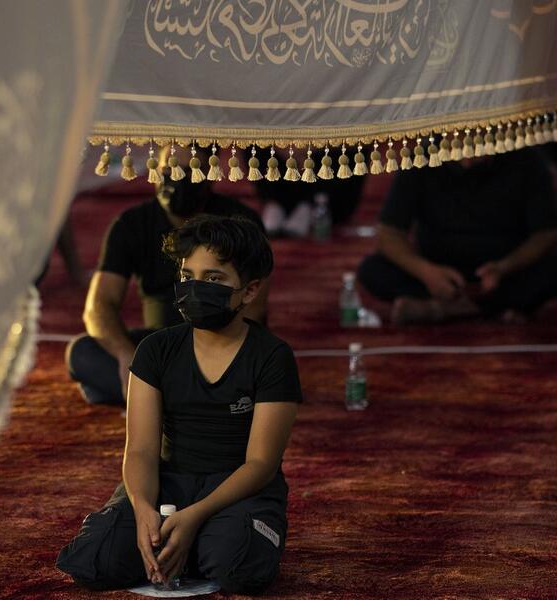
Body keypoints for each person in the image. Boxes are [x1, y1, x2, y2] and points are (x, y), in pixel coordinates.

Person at [56, 215, 302, 593]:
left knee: (235, 566)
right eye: (188, 276)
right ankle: (184, 541)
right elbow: (139, 450)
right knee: (95, 560)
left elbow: (261, 464)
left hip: (237, 486)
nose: (196, 288)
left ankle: (203, 539)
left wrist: (194, 517)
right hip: (170, 482)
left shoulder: (271, 357)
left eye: (214, 279)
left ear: (249, 291)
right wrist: (142, 511)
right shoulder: (156, 350)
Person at [66, 151, 268, 405]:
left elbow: (254, 308)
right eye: (170, 170)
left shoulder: (240, 223)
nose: (178, 180)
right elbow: (98, 306)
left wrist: (214, 356)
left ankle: (154, 396)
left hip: (224, 343)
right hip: (160, 345)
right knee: (83, 353)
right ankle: (185, 396)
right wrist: (127, 357)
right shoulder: (132, 223)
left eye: (189, 171)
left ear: (211, 174)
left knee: (264, 363)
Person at [357, 148, 557, 324]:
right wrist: (427, 272)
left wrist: (504, 267)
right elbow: (388, 233)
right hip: (439, 271)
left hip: (505, 271)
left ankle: (450, 309)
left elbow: (546, 233)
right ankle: (492, 308)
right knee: (372, 269)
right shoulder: (422, 157)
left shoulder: (525, 158)